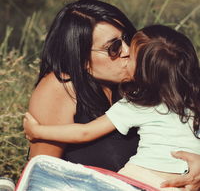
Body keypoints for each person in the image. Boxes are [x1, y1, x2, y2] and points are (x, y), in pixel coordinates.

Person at [24, 25, 200, 191]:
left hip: (142, 177)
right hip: (179, 184)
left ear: (143, 71)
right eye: (114, 47)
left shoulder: (140, 104)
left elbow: (84, 132)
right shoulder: (193, 103)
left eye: (131, 54)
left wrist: (39, 131)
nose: (125, 54)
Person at [27, 0, 139, 171]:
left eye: (127, 38)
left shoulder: (144, 82)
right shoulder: (61, 87)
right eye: (114, 47)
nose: (127, 50)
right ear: (82, 59)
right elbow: (42, 174)